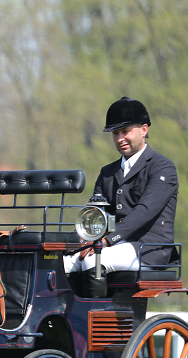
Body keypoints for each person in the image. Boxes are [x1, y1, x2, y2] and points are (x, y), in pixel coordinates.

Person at [64, 97, 178, 294]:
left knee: (94, 259)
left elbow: (145, 211)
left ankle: (96, 319)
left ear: (144, 130)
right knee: (66, 262)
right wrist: (85, 241)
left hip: (148, 249)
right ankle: (71, 321)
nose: (119, 139)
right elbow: (96, 214)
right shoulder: (107, 172)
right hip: (113, 245)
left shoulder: (162, 167)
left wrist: (108, 240)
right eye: (116, 133)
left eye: (125, 132)